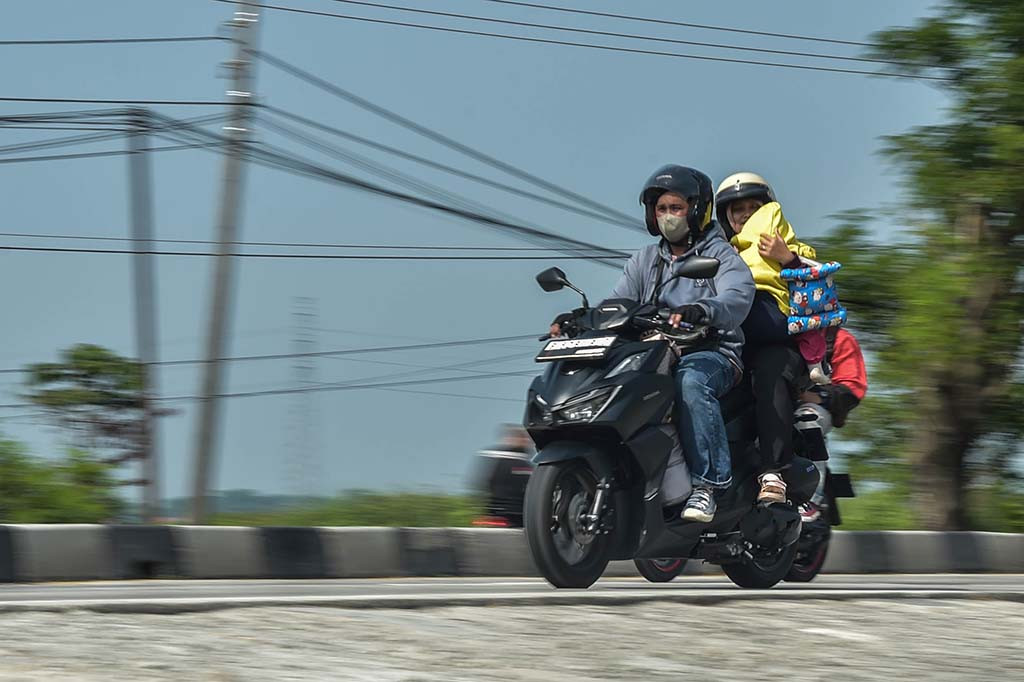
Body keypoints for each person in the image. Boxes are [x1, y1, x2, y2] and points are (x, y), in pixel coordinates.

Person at [583, 165, 755, 522]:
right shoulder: (645, 260)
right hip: (654, 350)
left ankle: (708, 486)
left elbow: (737, 298)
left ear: (695, 210)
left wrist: (703, 309)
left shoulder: (721, 256)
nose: (667, 217)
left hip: (711, 354)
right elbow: (619, 303)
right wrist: (580, 320)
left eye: (675, 208)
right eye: (661, 209)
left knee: (690, 383)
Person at [714, 172, 818, 504]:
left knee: (770, 372)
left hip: (778, 343)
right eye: (737, 209)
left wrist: (787, 258)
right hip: (729, 344)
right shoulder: (718, 255)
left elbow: (821, 280)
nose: (745, 215)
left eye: (753, 207)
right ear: (727, 217)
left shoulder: (791, 245)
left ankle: (774, 473)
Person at [794, 326, 867, 521]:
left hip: (809, 407)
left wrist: (817, 396)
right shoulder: (767, 328)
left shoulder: (839, 339)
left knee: (807, 419)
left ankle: (811, 498)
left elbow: (852, 388)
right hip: (763, 402)